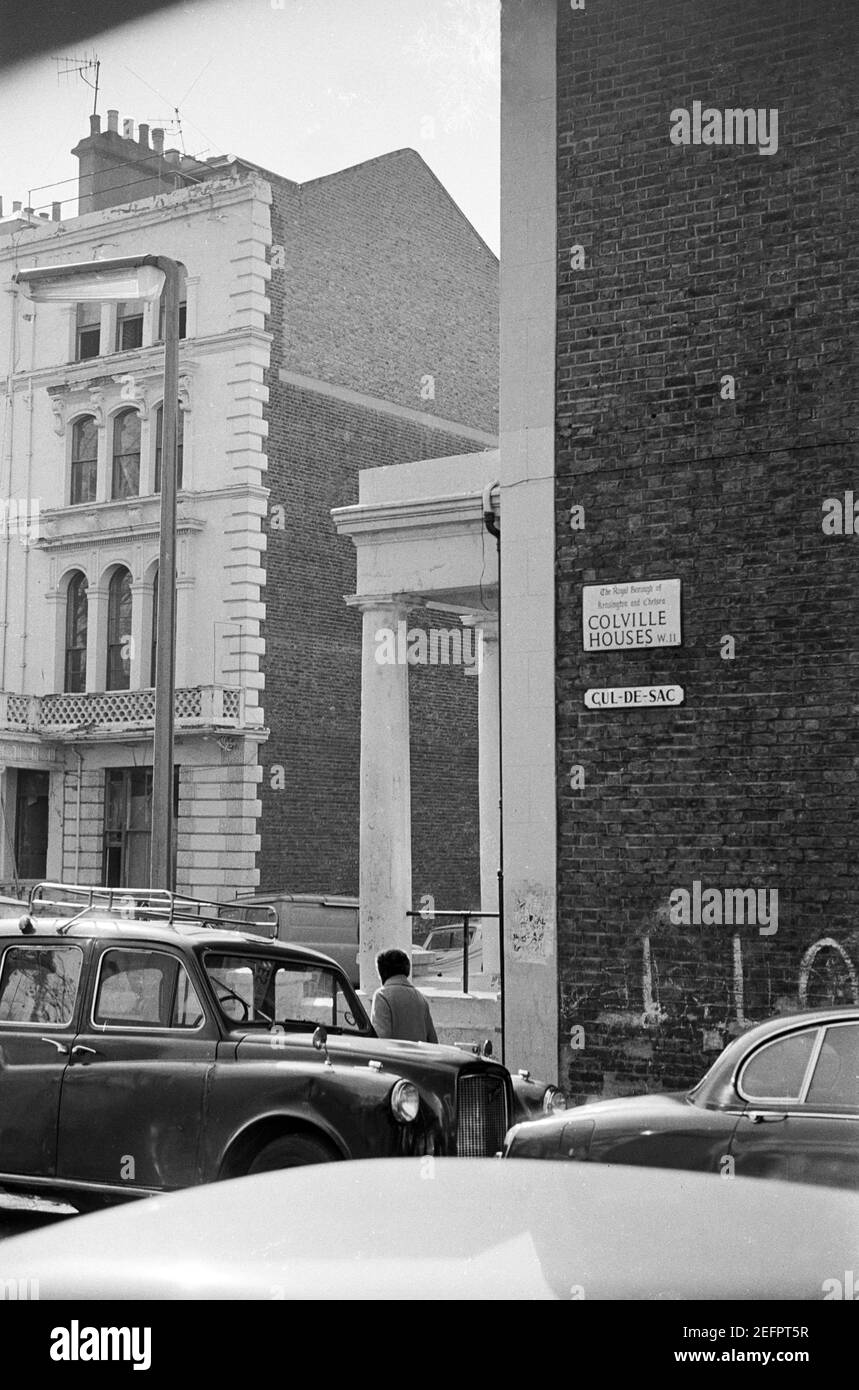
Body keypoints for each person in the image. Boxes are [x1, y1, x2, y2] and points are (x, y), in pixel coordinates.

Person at [371, 948, 438, 1044]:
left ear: (381, 973)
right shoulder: (420, 998)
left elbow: (380, 1039)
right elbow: (432, 1040)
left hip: (396, 1058)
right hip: (418, 1057)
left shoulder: (382, 996)